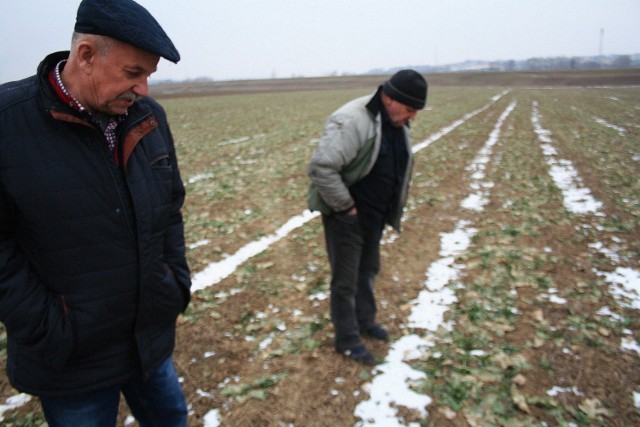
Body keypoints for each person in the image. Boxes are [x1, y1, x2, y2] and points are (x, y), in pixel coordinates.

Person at [0, 0, 191, 425]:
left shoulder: (149, 118)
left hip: (149, 340)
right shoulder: (8, 122)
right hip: (72, 358)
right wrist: (49, 325)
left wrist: (173, 281)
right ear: (86, 55)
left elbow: (170, 208)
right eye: (133, 73)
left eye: (148, 76)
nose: (144, 89)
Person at [308, 70, 428, 365]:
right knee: (346, 280)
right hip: (345, 216)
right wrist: (346, 208)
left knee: (368, 270)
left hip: (373, 216)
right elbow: (322, 167)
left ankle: (365, 322)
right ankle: (347, 340)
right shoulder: (353, 121)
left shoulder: (395, 121)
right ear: (389, 99)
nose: (412, 117)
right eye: (409, 109)